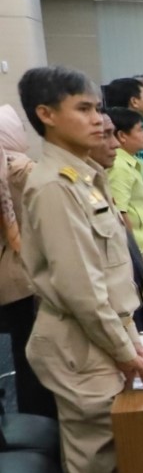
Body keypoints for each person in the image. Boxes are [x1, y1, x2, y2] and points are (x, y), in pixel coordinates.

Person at [17, 66, 143, 473]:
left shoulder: (82, 175)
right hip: (81, 344)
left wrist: (129, 341)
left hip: (100, 334)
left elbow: (107, 279)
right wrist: (125, 351)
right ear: (46, 115)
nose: (99, 120)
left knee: (112, 462)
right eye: (84, 109)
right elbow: (82, 290)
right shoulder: (55, 186)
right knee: (100, 472)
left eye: (98, 108)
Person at [0, 104, 52, 417]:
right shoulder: (20, 169)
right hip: (21, 272)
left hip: (10, 272)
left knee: (23, 350)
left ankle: (30, 415)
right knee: (32, 352)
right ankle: (39, 417)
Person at [104, 108, 143, 264]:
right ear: (122, 136)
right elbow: (121, 213)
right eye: (140, 129)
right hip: (142, 250)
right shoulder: (119, 167)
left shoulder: (130, 162)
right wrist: (135, 253)